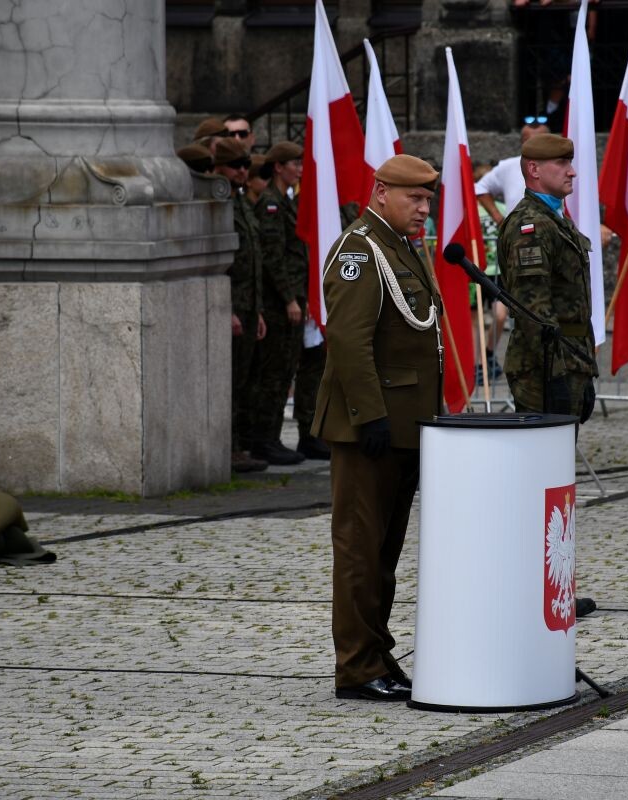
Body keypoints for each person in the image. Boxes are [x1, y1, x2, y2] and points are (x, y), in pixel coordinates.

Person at [312, 154, 442, 701]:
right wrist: (371, 416)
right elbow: (348, 341)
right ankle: (358, 667)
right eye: (414, 197)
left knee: (384, 552)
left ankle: (377, 653)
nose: (423, 207)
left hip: (404, 425)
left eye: (428, 198)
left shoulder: (399, 247)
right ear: (381, 191)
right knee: (361, 550)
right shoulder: (359, 250)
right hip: (373, 427)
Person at [497, 133, 598, 421]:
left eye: (571, 162)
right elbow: (533, 309)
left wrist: (586, 368)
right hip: (544, 367)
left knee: (560, 458)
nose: (572, 171)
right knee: (542, 461)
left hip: (570, 358)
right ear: (534, 170)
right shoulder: (532, 224)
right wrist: (555, 376)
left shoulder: (555, 219)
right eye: (562, 162)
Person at [211, 138, 269, 474]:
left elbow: (254, 261)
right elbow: (225, 263)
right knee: (231, 383)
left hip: (250, 306)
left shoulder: (241, 202)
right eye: (236, 166)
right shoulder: (220, 203)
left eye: (246, 166)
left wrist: (257, 310)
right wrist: (230, 308)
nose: (243, 172)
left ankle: (240, 445)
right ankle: (230, 448)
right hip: (232, 305)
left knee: (245, 381)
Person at [249, 141, 308, 466]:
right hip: (277, 302)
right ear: (279, 167)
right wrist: (289, 298)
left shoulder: (283, 201)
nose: (298, 168)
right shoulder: (271, 204)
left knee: (285, 370)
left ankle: (270, 438)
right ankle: (264, 439)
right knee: (273, 373)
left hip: (292, 296)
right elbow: (273, 257)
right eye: (293, 163)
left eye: (300, 162)